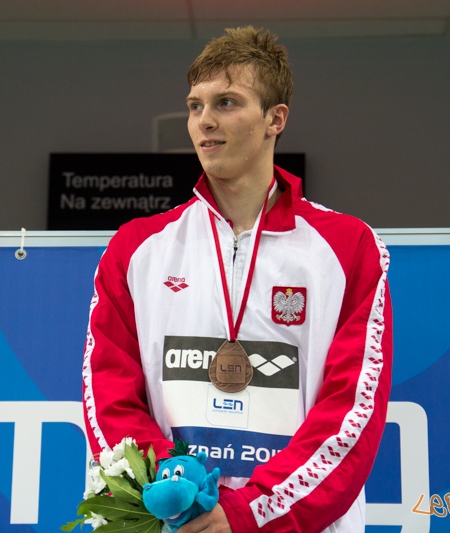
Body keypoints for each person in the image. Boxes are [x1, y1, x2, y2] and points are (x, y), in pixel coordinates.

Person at [82, 26, 392, 533]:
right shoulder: (137, 248)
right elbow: (109, 396)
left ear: (276, 119)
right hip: (170, 522)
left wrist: (247, 514)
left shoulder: (348, 248)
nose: (204, 121)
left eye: (226, 102)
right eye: (195, 105)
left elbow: (350, 417)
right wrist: (175, 490)